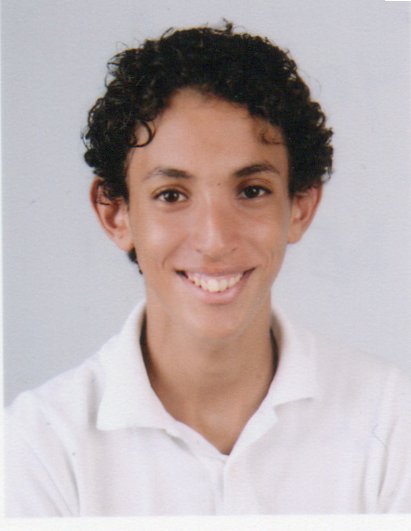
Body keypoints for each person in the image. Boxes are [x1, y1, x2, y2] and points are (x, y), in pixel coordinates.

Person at [5, 23, 411, 516]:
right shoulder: (40, 444)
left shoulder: (392, 418)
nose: (215, 240)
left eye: (252, 191)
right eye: (171, 195)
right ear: (116, 214)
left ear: (300, 206)